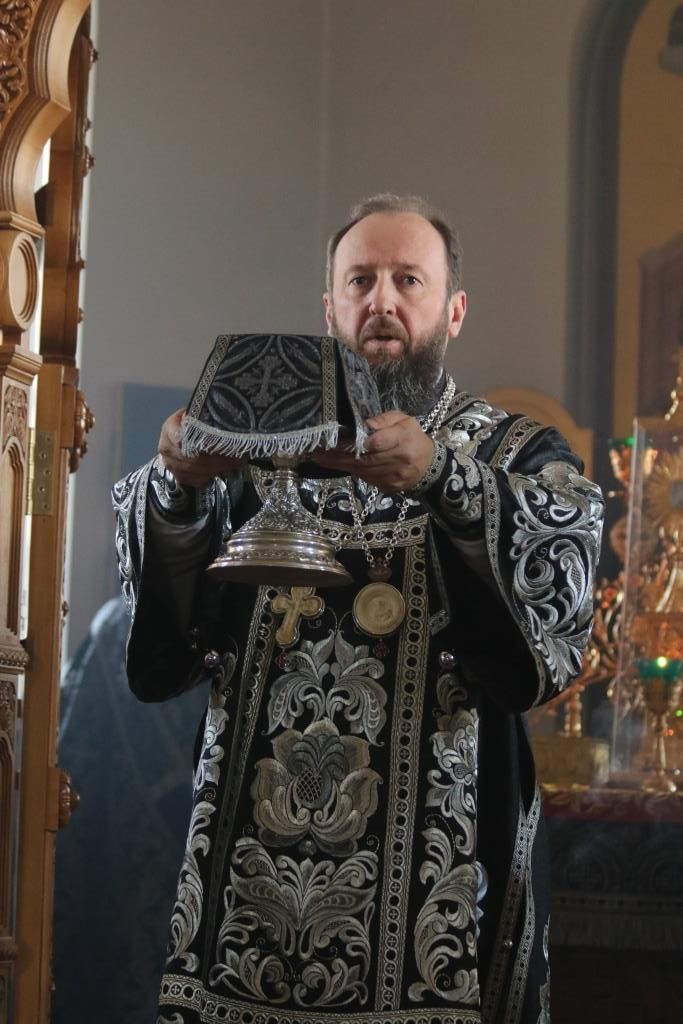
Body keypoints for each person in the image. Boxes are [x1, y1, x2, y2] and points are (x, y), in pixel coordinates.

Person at [113, 194, 603, 1024]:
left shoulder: (509, 450)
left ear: (452, 310)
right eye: (360, 280)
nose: (381, 301)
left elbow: (558, 562)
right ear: (329, 307)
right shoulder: (255, 445)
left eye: (407, 280)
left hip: (443, 868)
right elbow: (165, 644)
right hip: (254, 869)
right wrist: (177, 484)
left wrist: (442, 478)